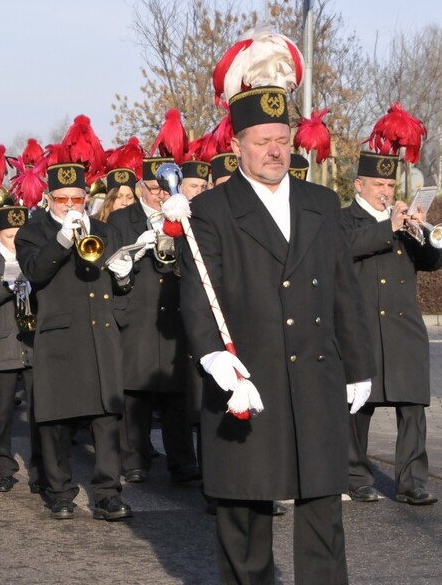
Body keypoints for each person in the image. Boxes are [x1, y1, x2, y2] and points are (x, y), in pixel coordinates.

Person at [179, 30, 375, 584]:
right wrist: (216, 361)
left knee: (322, 516)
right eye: (262, 140)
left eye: (282, 139)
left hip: (315, 377)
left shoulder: (319, 202)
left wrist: (358, 364)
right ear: (238, 144)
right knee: (243, 519)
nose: (274, 150)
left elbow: (344, 290)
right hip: (248, 381)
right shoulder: (212, 211)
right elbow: (198, 294)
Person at [16, 161, 134, 522]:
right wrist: (62, 239)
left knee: (106, 416)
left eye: (77, 198)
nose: (70, 205)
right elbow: (35, 272)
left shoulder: (104, 230)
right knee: (55, 419)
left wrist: (125, 277)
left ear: (86, 198)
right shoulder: (32, 232)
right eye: (62, 198)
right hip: (60, 335)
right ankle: (59, 490)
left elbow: (118, 282)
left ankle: (107, 494)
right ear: (49, 199)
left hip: (100, 331)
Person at [343, 148, 442, 506]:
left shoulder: (404, 223)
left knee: (413, 407)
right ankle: (356, 477)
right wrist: (388, 227)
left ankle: (412, 482)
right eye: (377, 184)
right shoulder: (345, 220)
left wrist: (424, 227)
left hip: (405, 330)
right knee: (359, 407)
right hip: (363, 327)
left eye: (389, 183)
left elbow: (433, 262)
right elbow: (344, 249)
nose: (385, 190)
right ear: (359, 184)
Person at [109, 156, 198, 484]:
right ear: (139, 188)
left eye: (166, 188)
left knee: (178, 394)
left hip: (174, 311)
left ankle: (182, 461)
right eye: (154, 188)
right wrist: (135, 250)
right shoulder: (122, 219)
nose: (162, 195)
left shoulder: (183, 214)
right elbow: (111, 263)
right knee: (136, 394)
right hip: (138, 310)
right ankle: (133, 459)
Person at [0, 205, 44, 494]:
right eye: (10, 235)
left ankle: (40, 471)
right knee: (0, 414)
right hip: (0, 344)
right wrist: (7, 285)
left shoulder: (34, 259)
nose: (16, 241)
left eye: (20, 235)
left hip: (32, 343)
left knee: (39, 412)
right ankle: (2, 468)